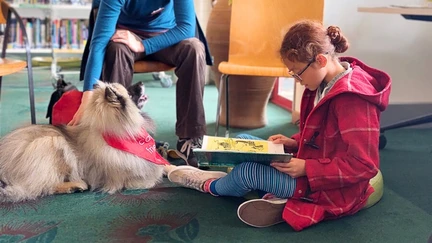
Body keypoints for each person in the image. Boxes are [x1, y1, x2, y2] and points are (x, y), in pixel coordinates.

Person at [166, 20, 392, 231]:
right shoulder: (322, 83)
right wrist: (293, 142)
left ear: (321, 60)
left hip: (328, 188)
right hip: (310, 166)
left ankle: (209, 185)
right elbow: (323, 136)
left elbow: (364, 166)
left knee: (248, 172)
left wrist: (307, 168)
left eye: (297, 72)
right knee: (244, 142)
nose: (296, 78)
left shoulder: (353, 100)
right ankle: (277, 197)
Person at [72, 0, 213, 167]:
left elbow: (186, 29)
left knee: (194, 48)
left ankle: (189, 139)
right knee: (115, 49)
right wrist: (87, 96)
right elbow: (99, 44)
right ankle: (117, 137)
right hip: (126, 36)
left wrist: (142, 45)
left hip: (168, 35)